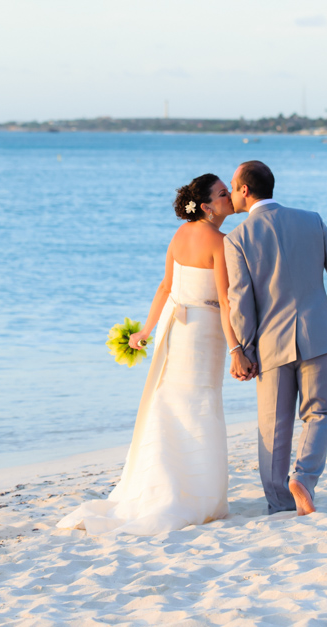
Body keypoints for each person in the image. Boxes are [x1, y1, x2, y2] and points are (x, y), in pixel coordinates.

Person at [57, 174, 254, 535]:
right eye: (223, 194)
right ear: (207, 206)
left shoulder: (180, 236)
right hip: (204, 332)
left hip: (174, 330)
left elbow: (166, 287)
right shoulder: (221, 242)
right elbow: (226, 301)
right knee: (199, 404)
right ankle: (194, 493)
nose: (229, 197)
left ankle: (166, 486)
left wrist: (147, 332)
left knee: (171, 402)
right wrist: (236, 348)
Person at [224, 161, 327, 517]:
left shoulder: (238, 239)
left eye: (233, 187)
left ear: (245, 190)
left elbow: (240, 302)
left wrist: (243, 350)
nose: (232, 194)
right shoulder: (312, 220)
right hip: (320, 334)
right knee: (321, 413)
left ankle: (279, 504)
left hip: (271, 343)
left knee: (273, 428)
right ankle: (304, 479)